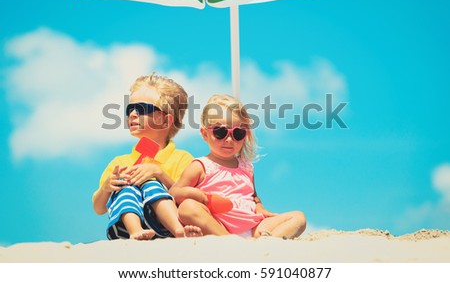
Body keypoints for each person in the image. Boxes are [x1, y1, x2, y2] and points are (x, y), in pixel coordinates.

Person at [170, 94, 306, 238]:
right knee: (187, 208)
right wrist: (195, 194)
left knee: (299, 217)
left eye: (238, 133)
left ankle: (265, 243)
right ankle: (230, 240)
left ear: (245, 135)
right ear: (205, 134)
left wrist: (260, 207)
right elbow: (174, 193)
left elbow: (254, 196)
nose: (229, 139)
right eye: (220, 132)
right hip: (218, 225)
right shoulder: (200, 166)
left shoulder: (247, 168)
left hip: (252, 225)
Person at [93, 73, 202, 240]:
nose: (133, 114)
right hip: (124, 232)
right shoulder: (120, 162)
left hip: (166, 230)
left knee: (151, 184)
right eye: (130, 109)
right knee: (125, 188)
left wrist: (159, 173)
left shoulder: (183, 159)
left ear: (166, 121)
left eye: (142, 109)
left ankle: (179, 231)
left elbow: (188, 200)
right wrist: (107, 188)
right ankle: (135, 230)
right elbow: (99, 208)